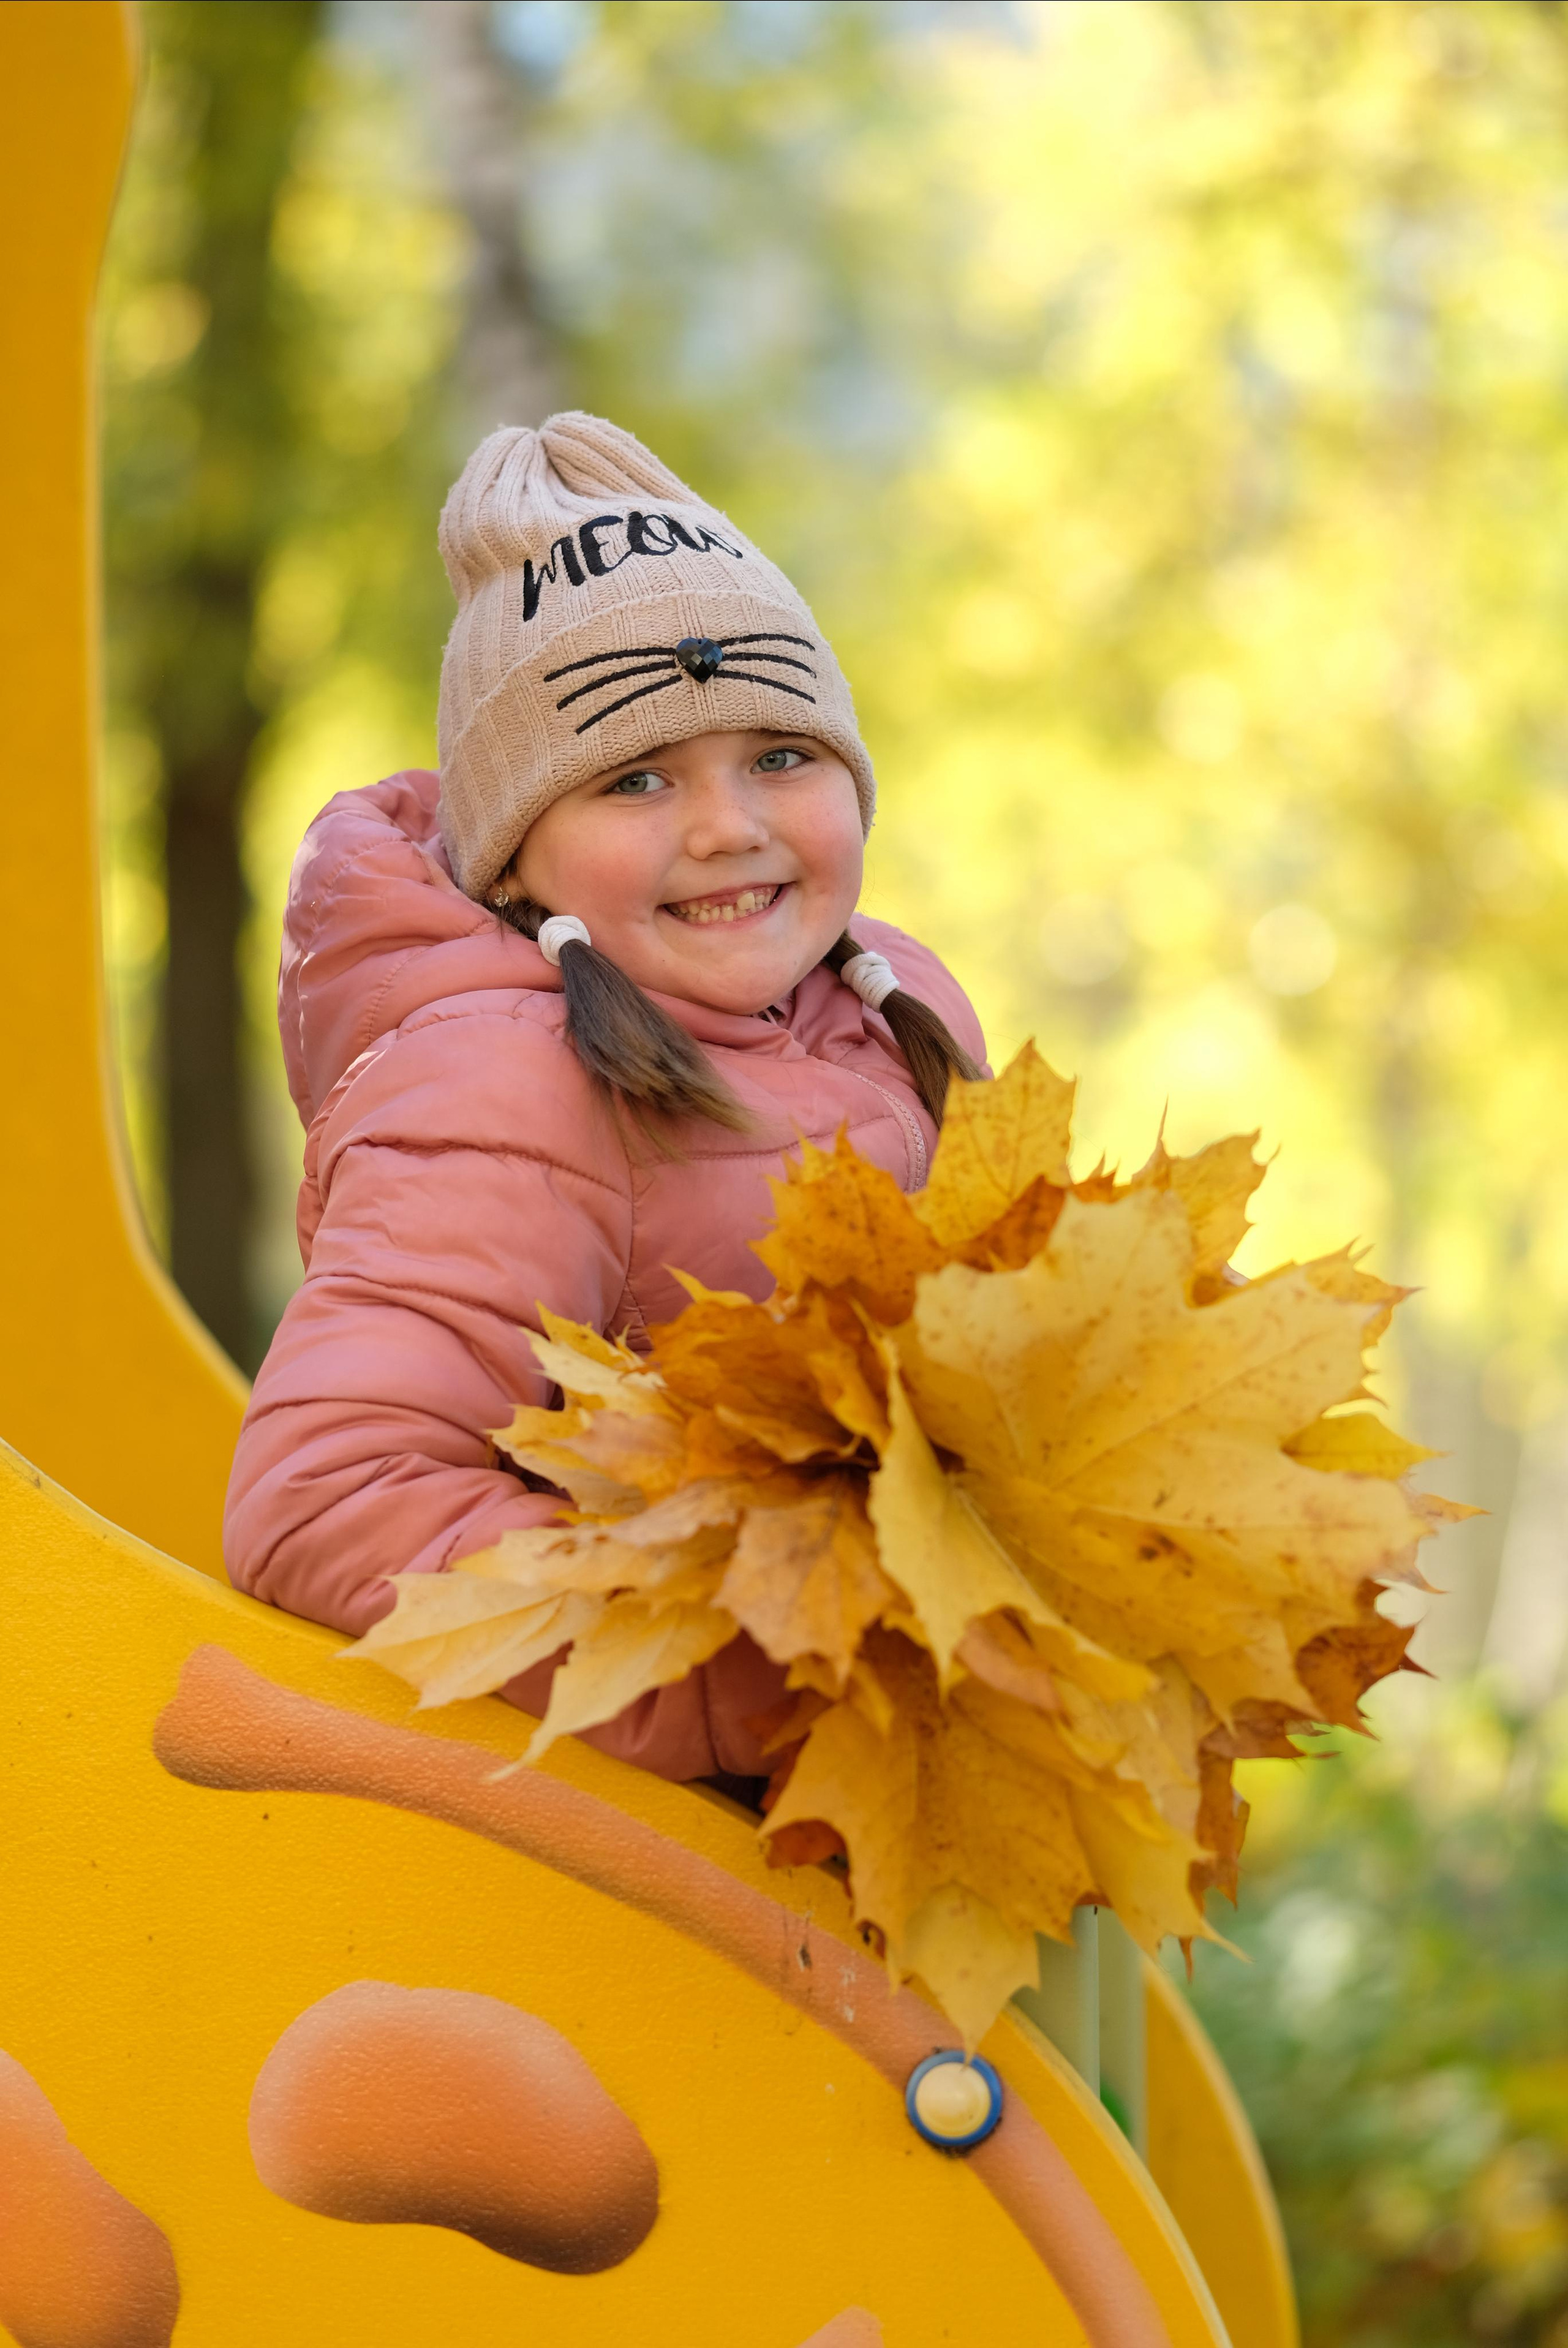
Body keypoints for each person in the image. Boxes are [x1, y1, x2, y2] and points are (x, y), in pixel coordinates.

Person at [225, 412, 987, 1785]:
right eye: (636, 779)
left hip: (933, 1767)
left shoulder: (892, 1003)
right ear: (515, 858)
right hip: (700, 1833)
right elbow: (327, 1499)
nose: (729, 826)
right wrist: (750, 1673)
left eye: (781, 755)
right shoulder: (506, 1090)